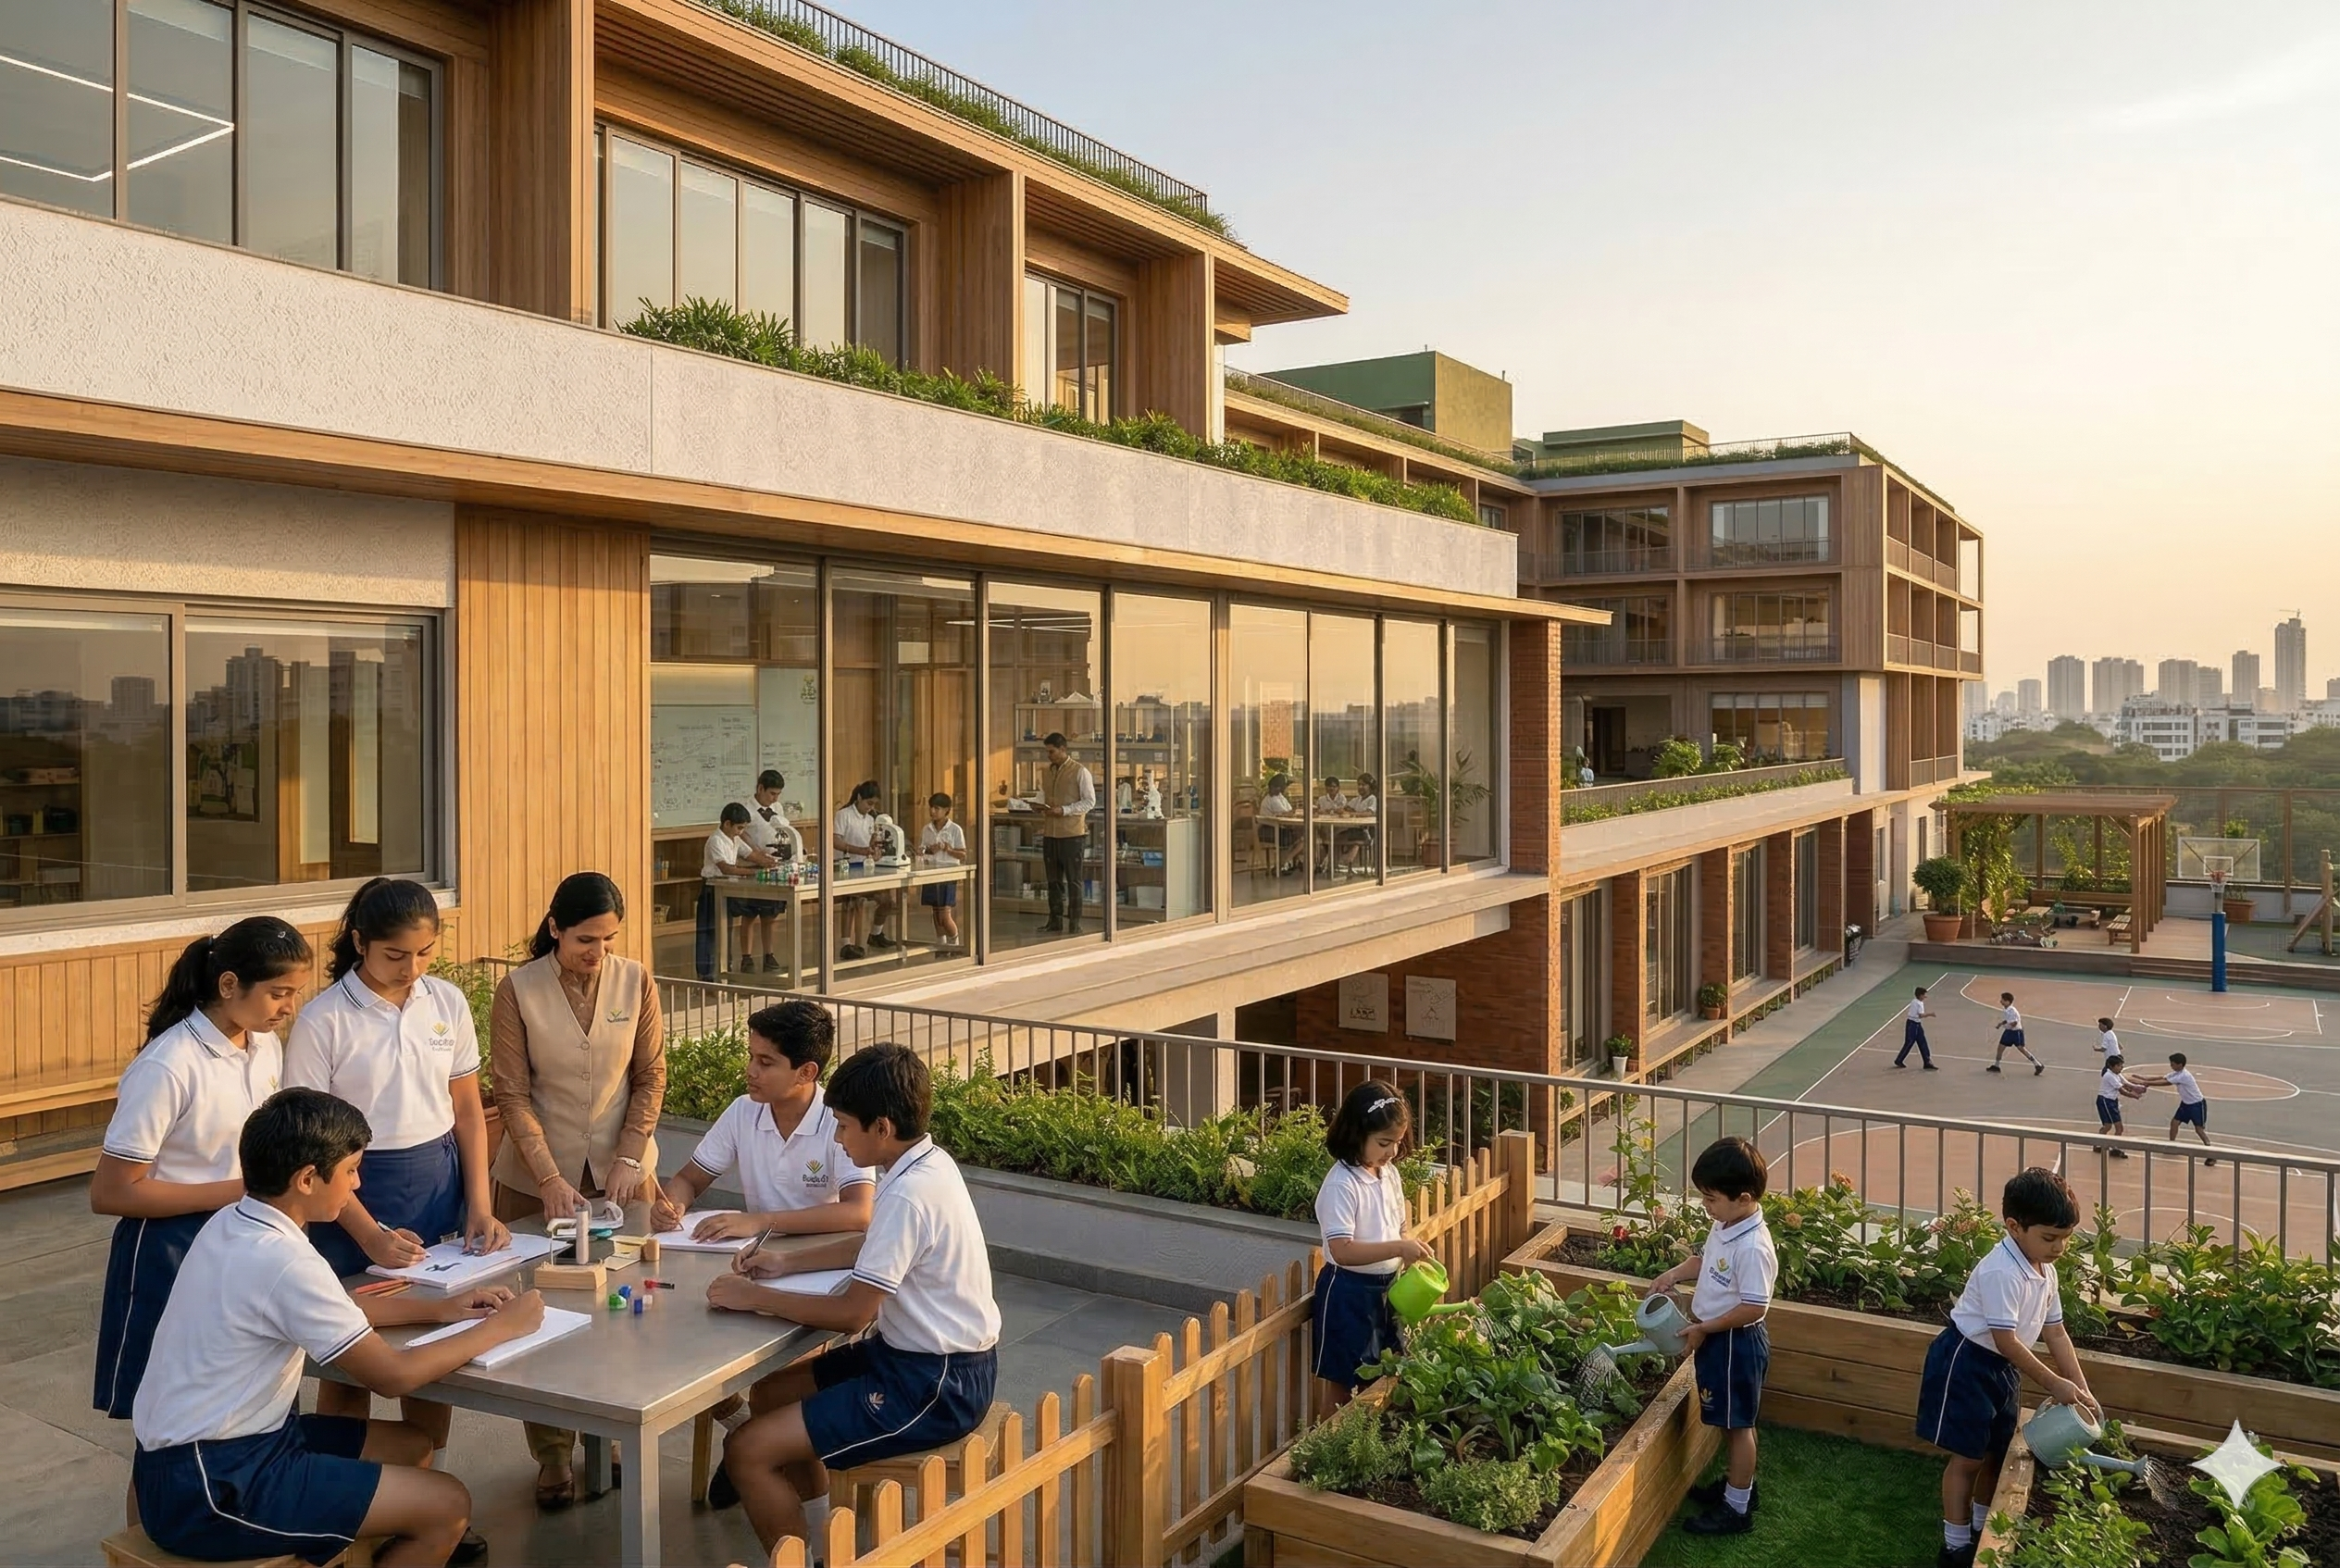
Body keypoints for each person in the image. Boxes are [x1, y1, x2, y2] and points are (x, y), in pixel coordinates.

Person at [130, 1088, 543, 1568]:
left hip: (197, 1459)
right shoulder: (284, 1259)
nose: (358, 1185)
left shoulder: (235, 1222)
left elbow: (334, 1308)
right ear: (308, 1178)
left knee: (412, 1445)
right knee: (448, 1505)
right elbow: (392, 1377)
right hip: (217, 1483)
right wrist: (502, 1328)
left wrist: (443, 1309)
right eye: (350, 1171)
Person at [283, 878, 505, 1565]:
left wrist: (480, 1198)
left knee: (436, 1344)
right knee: (347, 1352)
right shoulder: (324, 1019)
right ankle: (343, 1505)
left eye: (424, 954)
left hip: (437, 1183)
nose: (412, 970)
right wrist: (367, 1231)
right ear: (359, 944)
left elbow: (467, 1108)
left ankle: (419, 1497)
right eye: (394, 957)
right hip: (352, 1189)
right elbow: (312, 1147)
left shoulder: (445, 1001)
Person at [712, 1044, 1002, 1553]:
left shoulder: (910, 1194)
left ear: (882, 1128)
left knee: (746, 1451)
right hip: (914, 1357)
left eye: (844, 1126)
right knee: (770, 1395)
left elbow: (852, 1315)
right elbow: (875, 1244)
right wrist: (785, 1262)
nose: (839, 1139)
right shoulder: (925, 1164)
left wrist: (753, 1296)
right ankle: (826, 1542)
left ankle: (806, 1559)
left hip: (936, 1382)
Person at [487, 871, 666, 1509]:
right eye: (586, 939)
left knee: (623, 1306)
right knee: (541, 1314)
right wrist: (548, 1176)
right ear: (556, 928)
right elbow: (510, 1091)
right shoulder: (518, 989)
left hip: (622, 1172)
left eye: (609, 939)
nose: (599, 952)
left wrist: (627, 1154)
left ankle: (609, 1429)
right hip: (538, 1182)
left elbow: (650, 1077)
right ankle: (554, 1454)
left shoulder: (635, 979)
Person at [652, 1002, 876, 1510]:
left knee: (777, 1379)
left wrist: (760, 1221)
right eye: (750, 1057)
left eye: (766, 1062)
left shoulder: (837, 1122)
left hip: (821, 1274)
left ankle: (756, 1452)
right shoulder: (743, 1111)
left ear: (807, 1072)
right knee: (683, 1346)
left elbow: (859, 1214)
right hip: (752, 1268)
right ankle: (746, 1435)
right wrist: (674, 1204)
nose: (750, 1071)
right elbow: (689, 1177)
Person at [93, 917, 314, 1425]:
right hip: (170, 1251)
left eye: (295, 993)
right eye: (278, 993)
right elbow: (111, 1193)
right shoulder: (169, 1065)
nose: (289, 1007)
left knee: (248, 1409)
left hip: (245, 1239)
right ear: (229, 984)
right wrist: (244, 1191)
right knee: (166, 1426)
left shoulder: (263, 1046)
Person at [1914, 1168, 2099, 1568]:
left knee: (1998, 1451)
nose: (2059, 1248)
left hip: (2002, 1369)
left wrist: (2081, 1389)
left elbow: (2057, 1334)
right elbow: (2006, 1341)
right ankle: (1955, 1544)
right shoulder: (2002, 1270)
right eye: (2049, 1238)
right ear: (2015, 1226)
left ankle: (1983, 1526)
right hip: (1967, 1363)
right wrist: (2054, 1383)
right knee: (1968, 1458)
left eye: (2066, 1238)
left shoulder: (2044, 1271)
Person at [1650, 1137, 1776, 1537]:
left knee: (1738, 1426)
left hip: (1736, 1346)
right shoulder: (1727, 1225)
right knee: (1728, 1420)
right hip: (1721, 1341)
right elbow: (1706, 1262)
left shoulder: (1754, 1247)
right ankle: (1739, 1490)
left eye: (1710, 1199)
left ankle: (1737, 1510)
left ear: (1742, 1198)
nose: (1705, 1206)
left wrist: (1704, 1327)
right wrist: (1673, 1274)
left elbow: (1755, 1307)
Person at [1312, 1081, 1428, 1412]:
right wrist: (1397, 1248)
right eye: (1383, 1143)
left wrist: (1409, 1247)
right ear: (1356, 1135)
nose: (1392, 1151)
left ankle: (1368, 1433)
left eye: (1398, 1142)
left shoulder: (1388, 1174)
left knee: (1384, 1371)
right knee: (1345, 1380)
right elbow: (1342, 1251)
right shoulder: (1341, 1185)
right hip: (1349, 1291)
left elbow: (1400, 1227)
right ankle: (1327, 1444)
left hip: (1387, 1287)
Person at [699, 803, 779, 980]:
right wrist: (756, 872)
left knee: (725, 932)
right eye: (739, 827)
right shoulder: (716, 840)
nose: (741, 832)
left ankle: (723, 969)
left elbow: (751, 855)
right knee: (710, 933)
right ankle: (706, 975)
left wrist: (770, 861)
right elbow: (727, 868)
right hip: (712, 889)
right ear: (727, 824)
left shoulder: (735, 838)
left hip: (727, 888)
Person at [733, 770, 801, 975]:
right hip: (751, 865)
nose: (775, 799)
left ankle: (769, 954)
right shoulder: (745, 809)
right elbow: (742, 835)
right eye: (772, 793)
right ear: (760, 788)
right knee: (749, 914)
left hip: (774, 863)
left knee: (770, 915)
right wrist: (758, 855)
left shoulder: (777, 808)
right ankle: (746, 956)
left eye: (778, 794)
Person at [1034, 733, 1096, 934]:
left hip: (1072, 834)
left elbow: (1089, 801)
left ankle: (1074, 922)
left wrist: (1065, 810)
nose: (1049, 756)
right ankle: (1055, 920)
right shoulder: (1047, 772)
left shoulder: (1080, 771)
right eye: (1047, 752)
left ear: (1063, 749)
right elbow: (1044, 795)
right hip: (1050, 833)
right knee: (1053, 881)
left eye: (1052, 751)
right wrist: (1038, 806)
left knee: (1073, 880)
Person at [833, 781, 899, 961]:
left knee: (886, 900)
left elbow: (871, 843)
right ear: (859, 798)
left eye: (874, 804)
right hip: (846, 865)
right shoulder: (843, 815)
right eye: (869, 803)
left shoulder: (872, 819)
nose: (871, 808)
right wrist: (859, 850)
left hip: (865, 866)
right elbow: (835, 841)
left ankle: (874, 935)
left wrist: (875, 850)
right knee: (852, 902)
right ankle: (847, 944)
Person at [2135, 1053, 2215, 1164]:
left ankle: (2211, 1153)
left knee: (2199, 1129)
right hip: (2186, 1104)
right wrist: (2146, 1079)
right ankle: (2171, 1145)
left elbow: (2165, 1083)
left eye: (2172, 1064)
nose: (2171, 1065)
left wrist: (2146, 1083)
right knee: (2174, 1122)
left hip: (2196, 1104)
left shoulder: (2183, 1076)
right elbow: (2163, 1078)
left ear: (2180, 1065)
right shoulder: (2177, 1073)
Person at [916, 792, 969, 950]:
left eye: (937, 808)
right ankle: (941, 944)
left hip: (948, 873)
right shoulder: (926, 829)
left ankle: (955, 941)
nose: (933, 811)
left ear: (947, 810)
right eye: (931, 807)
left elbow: (963, 854)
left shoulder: (955, 829)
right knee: (935, 912)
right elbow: (922, 851)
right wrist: (925, 850)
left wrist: (948, 849)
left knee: (944, 915)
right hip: (931, 872)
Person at [1986, 991, 2043, 1076]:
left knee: (2022, 1049)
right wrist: (2001, 1024)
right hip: (2009, 1032)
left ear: (2008, 1001)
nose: (2000, 1001)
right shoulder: (2006, 1010)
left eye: (2002, 1000)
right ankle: (1996, 1066)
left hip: (2016, 1033)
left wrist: (2007, 1026)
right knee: (2000, 1048)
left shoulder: (2012, 1011)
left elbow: (2014, 1023)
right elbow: (2008, 1020)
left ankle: (2038, 1064)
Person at [1258, 772, 1301, 877]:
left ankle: (1288, 862)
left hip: (1280, 829)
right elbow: (1286, 814)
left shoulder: (1280, 797)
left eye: (1281, 787)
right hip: (1269, 831)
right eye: (1276, 787)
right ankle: (1284, 863)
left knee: (1303, 838)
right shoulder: (1271, 800)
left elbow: (1290, 810)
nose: (1279, 790)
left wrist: (1291, 812)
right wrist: (1291, 812)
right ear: (1272, 787)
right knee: (1302, 839)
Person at [2094, 1055, 2132, 1156]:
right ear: (2111, 1066)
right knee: (2117, 1127)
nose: (2121, 1067)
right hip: (2106, 1101)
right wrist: (2135, 1095)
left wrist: (2136, 1087)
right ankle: (2113, 1147)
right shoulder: (2109, 1076)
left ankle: (2099, 1144)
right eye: (2119, 1065)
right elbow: (2122, 1090)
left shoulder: (2116, 1075)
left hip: (2111, 1101)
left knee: (2108, 1126)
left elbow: (2125, 1084)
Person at [1893, 986, 1937, 1069]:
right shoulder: (1919, 1003)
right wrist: (1930, 1014)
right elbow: (1920, 1015)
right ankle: (1899, 1059)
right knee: (1910, 1043)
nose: (1925, 997)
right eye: (1924, 995)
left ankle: (1927, 1061)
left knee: (1922, 1042)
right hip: (1913, 1025)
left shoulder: (1914, 1001)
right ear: (1920, 995)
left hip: (1914, 1024)